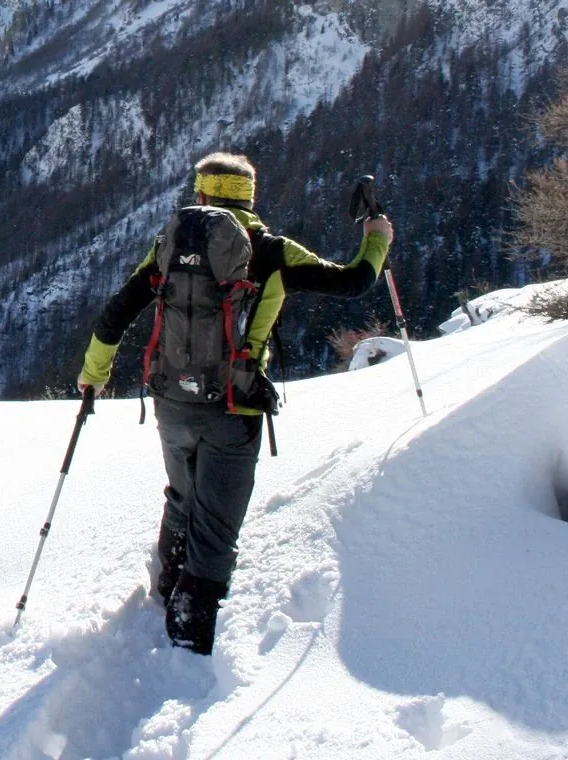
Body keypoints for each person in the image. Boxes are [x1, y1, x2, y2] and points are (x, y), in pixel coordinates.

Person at [76, 153, 394, 654]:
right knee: (217, 526)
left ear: (200, 194)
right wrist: (378, 237)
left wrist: (93, 375)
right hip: (233, 406)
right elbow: (354, 281)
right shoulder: (272, 251)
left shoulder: (168, 246)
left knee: (182, 496)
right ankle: (187, 638)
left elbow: (117, 312)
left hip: (170, 404)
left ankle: (167, 588)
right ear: (249, 197)